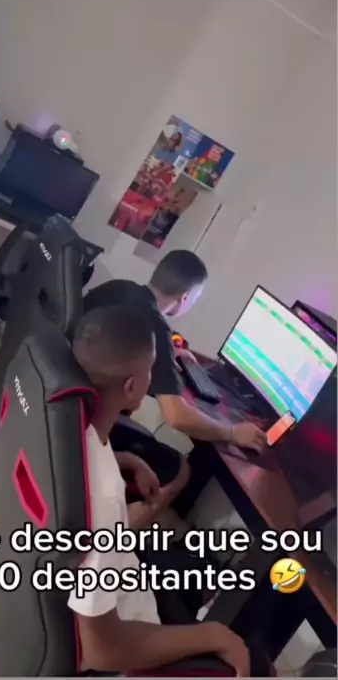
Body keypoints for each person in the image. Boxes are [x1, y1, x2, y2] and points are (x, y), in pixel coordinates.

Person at [69, 306, 265, 676]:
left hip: (101, 581)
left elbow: (88, 461)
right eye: (152, 371)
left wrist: (127, 459)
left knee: (202, 569)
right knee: (254, 660)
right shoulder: (106, 498)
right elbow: (102, 651)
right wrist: (213, 636)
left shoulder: (69, 426)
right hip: (120, 626)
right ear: (132, 387)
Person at [83, 250, 267, 490]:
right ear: (185, 297)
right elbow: (176, 416)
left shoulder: (117, 287)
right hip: (91, 422)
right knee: (179, 469)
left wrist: (167, 354)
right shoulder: (155, 330)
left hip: (69, 399)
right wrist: (232, 432)